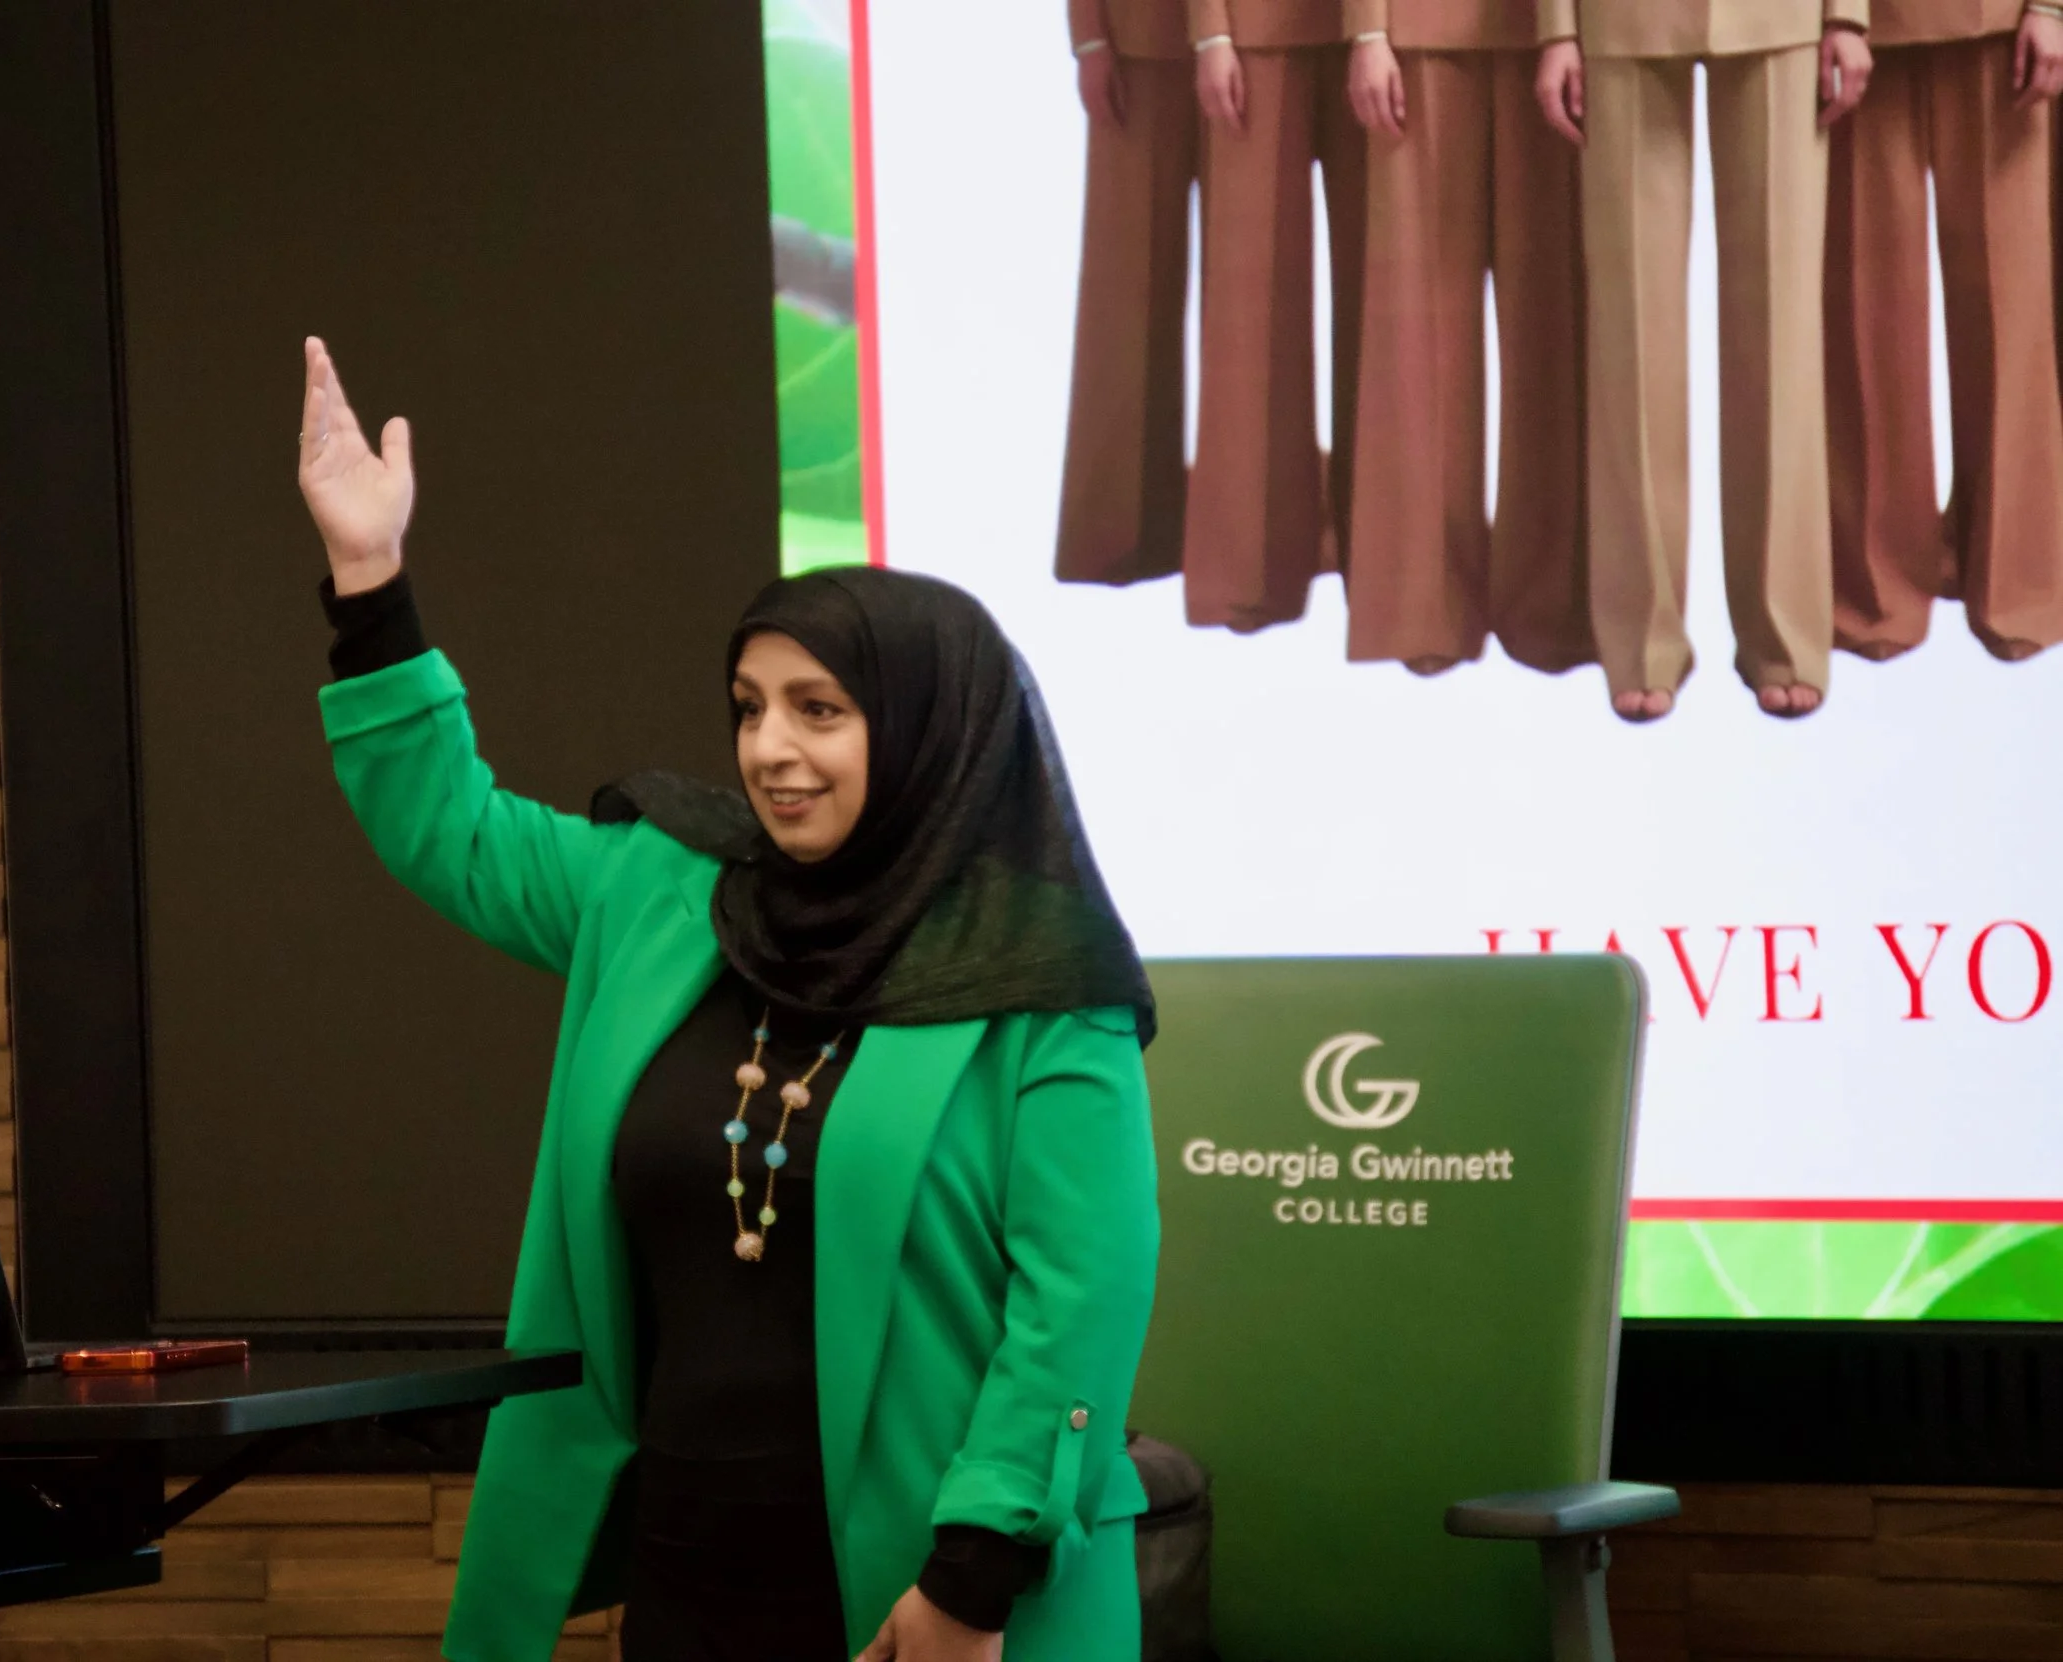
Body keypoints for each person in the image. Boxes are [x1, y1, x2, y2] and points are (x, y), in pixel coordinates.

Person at [295, 337, 1162, 1662]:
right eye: (750, 706)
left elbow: (1078, 1305)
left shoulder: (1042, 983)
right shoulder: (663, 888)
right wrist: (371, 582)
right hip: (694, 1563)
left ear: (931, 732)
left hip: (932, 1590)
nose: (770, 748)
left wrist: (974, 1579)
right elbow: (452, 830)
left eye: (821, 709)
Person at [1536, 0, 1874, 722]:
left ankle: (1785, 633)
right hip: (1619, 21)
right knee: (1630, 334)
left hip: (1782, 17)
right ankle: (1639, 638)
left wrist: (1846, 16)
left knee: (1783, 332)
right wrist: (1556, 26)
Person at [1341, 0, 1593, 676]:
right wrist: (1368, 30)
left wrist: (1572, 30)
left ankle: (1556, 600)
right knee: (1416, 334)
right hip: (1416, 35)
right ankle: (1423, 601)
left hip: (1560, 38)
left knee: (1555, 333)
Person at [1825, 0, 2063, 663]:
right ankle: (1877, 590)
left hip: (2003, 21)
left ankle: (2018, 580)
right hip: (1857, 24)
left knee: (2010, 308)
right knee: (1867, 315)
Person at [1181, 0, 1367, 633]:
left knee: (1390, 310)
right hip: (1252, 29)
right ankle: (1251, 565)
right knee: (1247, 308)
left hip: (1391, 30)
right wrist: (1211, 30)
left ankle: (1385, 558)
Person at [1056, 0, 1202, 587]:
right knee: (1126, 289)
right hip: (1139, 41)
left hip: (1273, 34)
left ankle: (1249, 531)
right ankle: (1119, 531)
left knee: (1255, 308)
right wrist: (1090, 39)